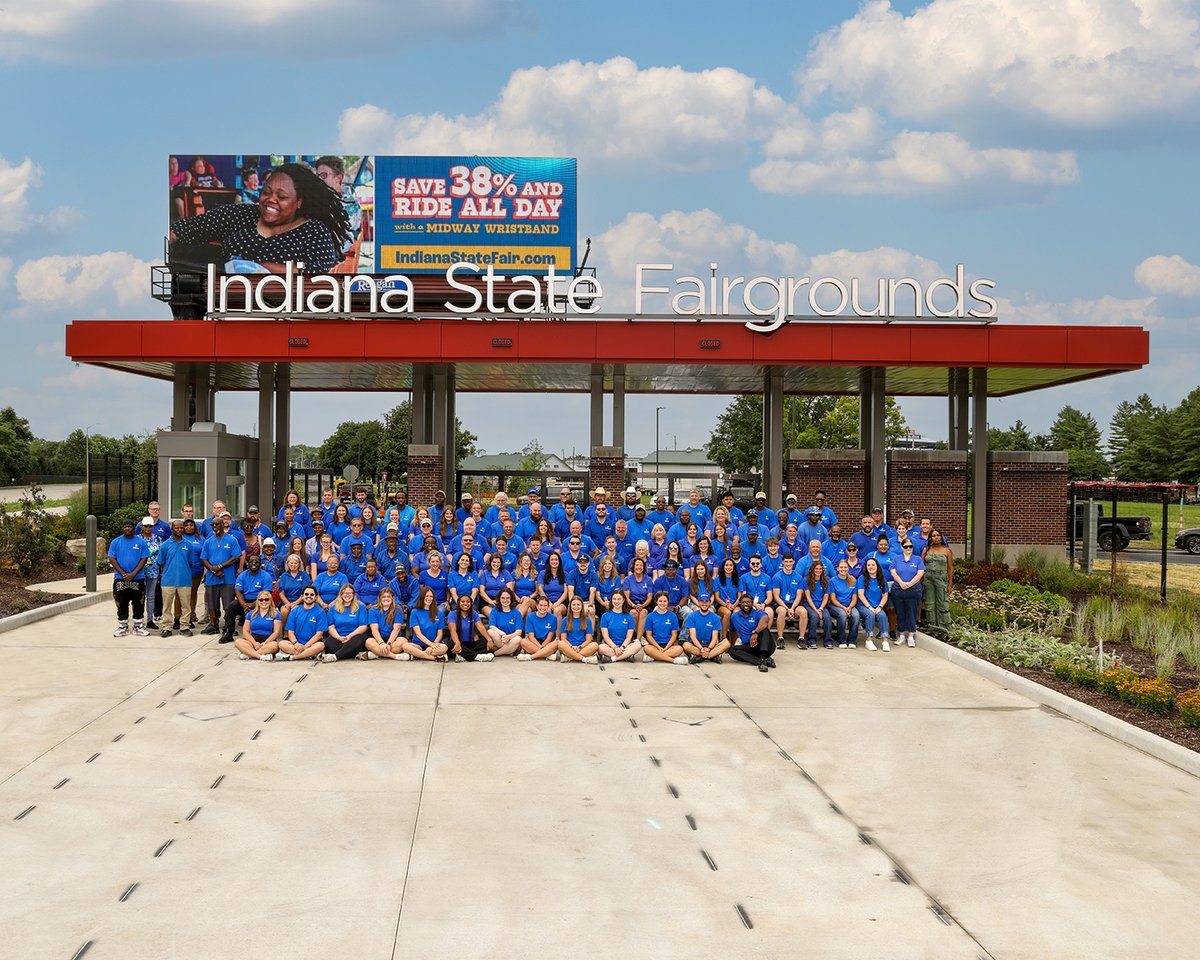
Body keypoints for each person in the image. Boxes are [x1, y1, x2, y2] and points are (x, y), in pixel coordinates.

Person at [170, 162, 351, 274]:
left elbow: (318, 274)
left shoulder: (315, 231)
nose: (271, 200)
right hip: (225, 303)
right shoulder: (239, 214)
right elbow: (183, 230)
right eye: (266, 192)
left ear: (299, 202)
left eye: (282, 197)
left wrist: (253, 267)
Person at [200, 515, 242, 638]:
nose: (215, 527)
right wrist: (213, 570)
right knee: (212, 603)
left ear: (223, 525)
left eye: (217, 524)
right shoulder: (208, 541)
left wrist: (219, 566)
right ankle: (213, 624)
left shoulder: (232, 540)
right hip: (212, 578)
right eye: (213, 525)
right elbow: (203, 559)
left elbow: (236, 557)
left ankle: (229, 626)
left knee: (228, 604)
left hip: (228, 578)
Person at [108, 518, 149, 636]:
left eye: (129, 526)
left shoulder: (141, 542)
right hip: (120, 578)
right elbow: (112, 558)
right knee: (121, 602)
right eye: (125, 526)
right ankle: (123, 626)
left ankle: (138, 626)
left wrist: (133, 573)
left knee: (138, 602)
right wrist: (123, 574)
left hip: (138, 578)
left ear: (133, 528)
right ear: (122, 528)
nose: (127, 528)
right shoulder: (116, 542)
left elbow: (144, 558)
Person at [157, 520, 195, 637]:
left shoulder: (188, 545)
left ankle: (184, 626)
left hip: (185, 580)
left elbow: (191, 562)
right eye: (176, 528)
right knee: (167, 606)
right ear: (172, 529)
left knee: (186, 606)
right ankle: (167, 627)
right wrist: (167, 573)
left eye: (181, 528)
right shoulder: (165, 545)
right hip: (168, 580)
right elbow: (161, 562)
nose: (179, 530)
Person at [228, 553, 274, 643]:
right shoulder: (242, 575)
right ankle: (229, 632)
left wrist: (254, 605)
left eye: (256, 562)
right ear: (247, 563)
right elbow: (238, 591)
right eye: (251, 562)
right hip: (244, 601)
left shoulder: (266, 576)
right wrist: (244, 605)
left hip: (260, 600)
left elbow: (267, 594)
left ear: (260, 564)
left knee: (264, 602)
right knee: (232, 606)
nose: (254, 564)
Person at [891, 538, 926, 648]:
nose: (908, 548)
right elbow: (893, 571)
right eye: (906, 546)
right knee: (900, 612)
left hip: (914, 590)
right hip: (898, 589)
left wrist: (910, 583)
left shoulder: (917, 559)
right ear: (902, 547)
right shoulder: (896, 558)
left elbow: (920, 573)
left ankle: (911, 636)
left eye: (910, 546)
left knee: (912, 612)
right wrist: (901, 583)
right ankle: (901, 635)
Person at [728, 594, 775, 672]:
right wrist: (731, 644)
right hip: (749, 647)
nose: (746, 604)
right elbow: (733, 631)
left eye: (748, 602)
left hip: (765, 645)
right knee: (732, 650)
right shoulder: (734, 616)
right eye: (743, 602)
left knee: (764, 629)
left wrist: (755, 632)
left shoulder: (758, 613)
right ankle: (761, 661)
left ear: (752, 603)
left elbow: (765, 619)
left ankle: (763, 657)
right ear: (739, 604)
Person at [278, 586, 327, 661]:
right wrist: (296, 644)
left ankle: (292, 657)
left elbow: (319, 634)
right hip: (297, 644)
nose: (309, 596)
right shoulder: (295, 611)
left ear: (316, 597)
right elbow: (290, 632)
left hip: (312, 644)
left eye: (312, 595)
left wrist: (306, 646)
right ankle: (309, 655)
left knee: (320, 645)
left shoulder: (320, 612)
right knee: (281, 644)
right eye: (306, 594)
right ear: (302, 597)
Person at [771, 551, 807, 648]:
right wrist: (787, 608)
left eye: (790, 562)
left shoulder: (798, 577)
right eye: (786, 561)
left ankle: (801, 639)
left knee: (803, 612)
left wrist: (792, 608)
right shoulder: (777, 577)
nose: (788, 564)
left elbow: (799, 595)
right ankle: (780, 638)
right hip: (781, 604)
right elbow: (776, 596)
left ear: (793, 562)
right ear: (782, 562)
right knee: (782, 612)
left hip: (794, 604)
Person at [921, 530, 954, 636]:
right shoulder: (926, 550)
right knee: (930, 603)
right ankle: (933, 627)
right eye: (933, 536)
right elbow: (921, 566)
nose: (936, 537)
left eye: (938, 535)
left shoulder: (947, 551)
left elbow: (950, 568)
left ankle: (945, 628)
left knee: (942, 602)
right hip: (928, 579)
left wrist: (950, 584)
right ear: (930, 538)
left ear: (941, 537)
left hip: (941, 578)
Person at [364, 587, 409, 661]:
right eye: (383, 597)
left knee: (403, 641)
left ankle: (376, 653)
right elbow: (374, 629)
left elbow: (396, 629)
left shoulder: (398, 609)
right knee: (368, 642)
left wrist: (389, 643)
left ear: (393, 598)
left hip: (393, 639)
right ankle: (395, 656)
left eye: (388, 596)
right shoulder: (373, 610)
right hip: (378, 639)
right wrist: (381, 643)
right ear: (379, 598)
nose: (386, 599)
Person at [682, 593, 729, 664]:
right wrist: (701, 648)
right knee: (685, 645)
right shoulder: (692, 616)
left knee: (726, 643)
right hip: (696, 645)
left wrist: (709, 648)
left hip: (710, 645)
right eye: (702, 601)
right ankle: (712, 656)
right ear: (698, 602)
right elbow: (693, 636)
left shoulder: (715, 617)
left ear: (710, 602)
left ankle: (701, 656)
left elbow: (714, 638)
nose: (704, 604)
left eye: (706, 601)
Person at [406, 586, 449, 662]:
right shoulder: (415, 612)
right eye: (426, 596)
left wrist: (433, 645)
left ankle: (418, 655)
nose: (429, 598)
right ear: (422, 597)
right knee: (405, 646)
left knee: (444, 647)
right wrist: (430, 645)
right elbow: (418, 634)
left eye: (431, 596)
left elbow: (440, 634)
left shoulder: (438, 612)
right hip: (418, 644)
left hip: (434, 643)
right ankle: (434, 658)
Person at [857, 557, 891, 651]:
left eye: (873, 565)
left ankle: (885, 640)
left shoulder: (882, 579)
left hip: (877, 606)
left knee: (883, 616)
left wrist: (880, 607)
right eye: (868, 565)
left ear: (877, 566)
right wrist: (869, 607)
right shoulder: (862, 578)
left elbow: (885, 596)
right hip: (863, 605)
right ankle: (869, 640)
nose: (871, 567)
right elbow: (860, 594)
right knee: (870, 615)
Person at [643, 592, 687, 664]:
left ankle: (653, 657)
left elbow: (674, 635)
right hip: (655, 645)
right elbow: (648, 635)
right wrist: (658, 647)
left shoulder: (673, 616)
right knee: (646, 648)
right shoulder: (650, 616)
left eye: (665, 601)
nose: (662, 603)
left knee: (679, 649)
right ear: (656, 602)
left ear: (668, 602)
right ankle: (673, 660)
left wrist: (666, 648)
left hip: (668, 646)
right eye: (660, 601)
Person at [598, 590, 641, 663]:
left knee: (638, 645)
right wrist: (615, 648)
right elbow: (606, 636)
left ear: (623, 600)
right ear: (611, 600)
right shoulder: (605, 616)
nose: (616, 601)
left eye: (619, 599)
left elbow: (629, 637)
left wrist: (622, 647)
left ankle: (613, 658)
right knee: (600, 648)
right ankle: (626, 655)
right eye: (614, 599)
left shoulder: (629, 617)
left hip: (625, 646)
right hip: (610, 646)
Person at [236, 591, 281, 661]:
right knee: (238, 642)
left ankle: (248, 654)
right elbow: (245, 631)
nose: (264, 602)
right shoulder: (251, 614)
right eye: (261, 600)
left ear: (270, 601)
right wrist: (254, 643)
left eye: (266, 599)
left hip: (268, 641)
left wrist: (263, 644)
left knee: (274, 645)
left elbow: (276, 632)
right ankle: (260, 656)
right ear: (257, 601)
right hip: (253, 640)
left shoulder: (276, 614)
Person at [447, 593, 493, 662]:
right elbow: (452, 630)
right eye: (462, 602)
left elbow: (481, 627)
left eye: (468, 602)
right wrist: (457, 643)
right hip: (458, 643)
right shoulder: (452, 614)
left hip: (470, 643)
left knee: (485, 641)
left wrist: (489, 640)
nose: (465, 603)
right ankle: (477, 657)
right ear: (458, 603)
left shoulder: (474, 613)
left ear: (471, 604)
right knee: (450, 644)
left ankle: (463, 656)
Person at [483, 588, 524, 657]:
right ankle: (508, 650)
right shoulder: (494, 611)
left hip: (511, 639)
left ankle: (496, 653)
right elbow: (492, 626)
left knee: (518, 639)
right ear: (499, 599)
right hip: (500, 638)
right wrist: (503, 634)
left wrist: (508, 637)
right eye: (503, 598)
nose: (505, 600)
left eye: (508, 598)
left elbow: (518, 632)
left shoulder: (516, 613)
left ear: (511, 599)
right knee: (490, 631)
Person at [829, 559, 861, 648]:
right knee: (842, 615)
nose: (843, 569)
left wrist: (850, 607)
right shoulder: (833, 581)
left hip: (849, 605)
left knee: (856, 615)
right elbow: (833, 599)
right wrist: (844, 608)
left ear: (848, 568)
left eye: (845, 567)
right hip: (836, 605)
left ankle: (852, 640)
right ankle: (841, 640)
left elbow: (854, 598)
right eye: (841, 567)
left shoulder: (853, 580)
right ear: (837, 569)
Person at [518, 595, 560, 661]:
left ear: (548, 607)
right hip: (534, 642)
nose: (543, 608)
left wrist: (543, 646)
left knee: (556, 643)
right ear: (537, 606)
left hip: (546, 643)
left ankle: (532, 656)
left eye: (545, 606)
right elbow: (531, 637)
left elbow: (549, 637)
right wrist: (540, 647)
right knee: (523, 641)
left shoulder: (553, 618)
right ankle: (547, 655)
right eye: (541, 605)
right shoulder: (530, 616)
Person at [557, 596, 598, 664]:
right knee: (560, 644)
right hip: (569, 646)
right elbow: (563, 639)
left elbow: (589, 639)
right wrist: (571, 646)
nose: (576, 607)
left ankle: (569, 657)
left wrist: (580, 647)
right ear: (570, 606)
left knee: (595, 645)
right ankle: (584, 659)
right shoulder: (565, 620)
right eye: (574, 604)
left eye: (578, 604)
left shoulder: (587, 620)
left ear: (582, 606)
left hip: (582, 647)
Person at [803, 557, 833, 649]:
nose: (818, 570)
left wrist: (820, 609)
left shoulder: (826, 581)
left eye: (820, 569)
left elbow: (825, 598)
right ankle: (811, 641)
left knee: (827, 618)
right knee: (814, 617)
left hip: (821, 606)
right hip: (810, 605)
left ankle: (828, 641)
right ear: (812, 569)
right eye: (816, 569)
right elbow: (808, 597)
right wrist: (816, 610)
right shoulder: (806, 580)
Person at [139, 517, 163, 629]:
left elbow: (162, 555)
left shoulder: (158, 539)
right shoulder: (137, 539)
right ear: (142, 527)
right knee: (139, 597)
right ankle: (138, 619)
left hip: (154, 572)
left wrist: (161, 572)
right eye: (146, 526)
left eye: (150, 526)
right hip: (139, 572)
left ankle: (150, 620)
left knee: (151, 596)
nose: (148, 528)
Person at [538, 551, 569, 618]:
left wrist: (557, 603)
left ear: (559, 561)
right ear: (548, 561)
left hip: (561, 602)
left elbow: (566, 592)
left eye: (556, 559)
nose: (554, 561)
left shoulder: (565, 574)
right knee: (547, 610)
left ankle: (558, 629)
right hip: (546, 601)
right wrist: (548, 602)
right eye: (552, 560)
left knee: (557, 610)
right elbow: (540, 589)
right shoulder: (542, 573)